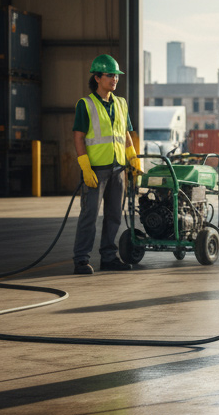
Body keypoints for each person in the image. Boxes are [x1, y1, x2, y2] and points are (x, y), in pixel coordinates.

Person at [72, 54, 140, 275]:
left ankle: (109, 257)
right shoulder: (85, 104)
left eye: (116, 76)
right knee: (89, 215)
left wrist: (133, 160)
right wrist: (85, 167)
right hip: (95, 170)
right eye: (110, 75)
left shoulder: (121, 103)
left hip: (118, 168)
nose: (115, 79)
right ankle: (81, 260)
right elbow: (79, 137)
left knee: (114, 215)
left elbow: (126, 135)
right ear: (97, 77)